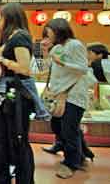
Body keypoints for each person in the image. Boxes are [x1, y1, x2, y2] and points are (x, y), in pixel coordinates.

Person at [0, 3, 37, 183]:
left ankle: (24, 179)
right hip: (6, 94)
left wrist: (4, 61)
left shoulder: (20, 37)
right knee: (1, 137)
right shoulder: (9, 36)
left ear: (10, 17)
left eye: (2, 15)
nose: (0, 19)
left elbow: (25, 68)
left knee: (17, 138)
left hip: (17, 94)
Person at [42, 19, 96, 179]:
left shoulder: (75, 45)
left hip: (74, 94)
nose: (47, 35)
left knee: (69, 129)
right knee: (58, 126)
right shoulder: (58, 47)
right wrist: (47, 55)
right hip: (60, 94)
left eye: (49, 32)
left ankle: (71, 163)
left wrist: (63, 62)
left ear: (59, 30)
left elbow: (83, 68)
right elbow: (53, 69)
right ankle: (82, 152)